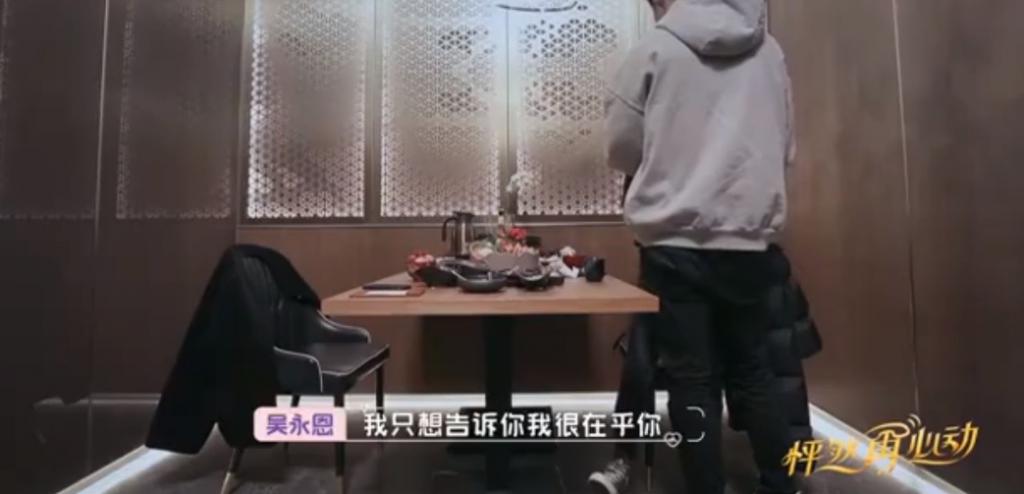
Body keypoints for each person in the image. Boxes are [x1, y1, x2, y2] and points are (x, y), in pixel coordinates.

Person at [589, 0, 798, 493]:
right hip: (748, 240)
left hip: (674, 243)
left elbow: (620, 149)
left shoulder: (654, 49)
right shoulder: (769, 52)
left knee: (692, 382)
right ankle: (781, 483)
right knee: (754, 370)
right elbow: (786, 144)